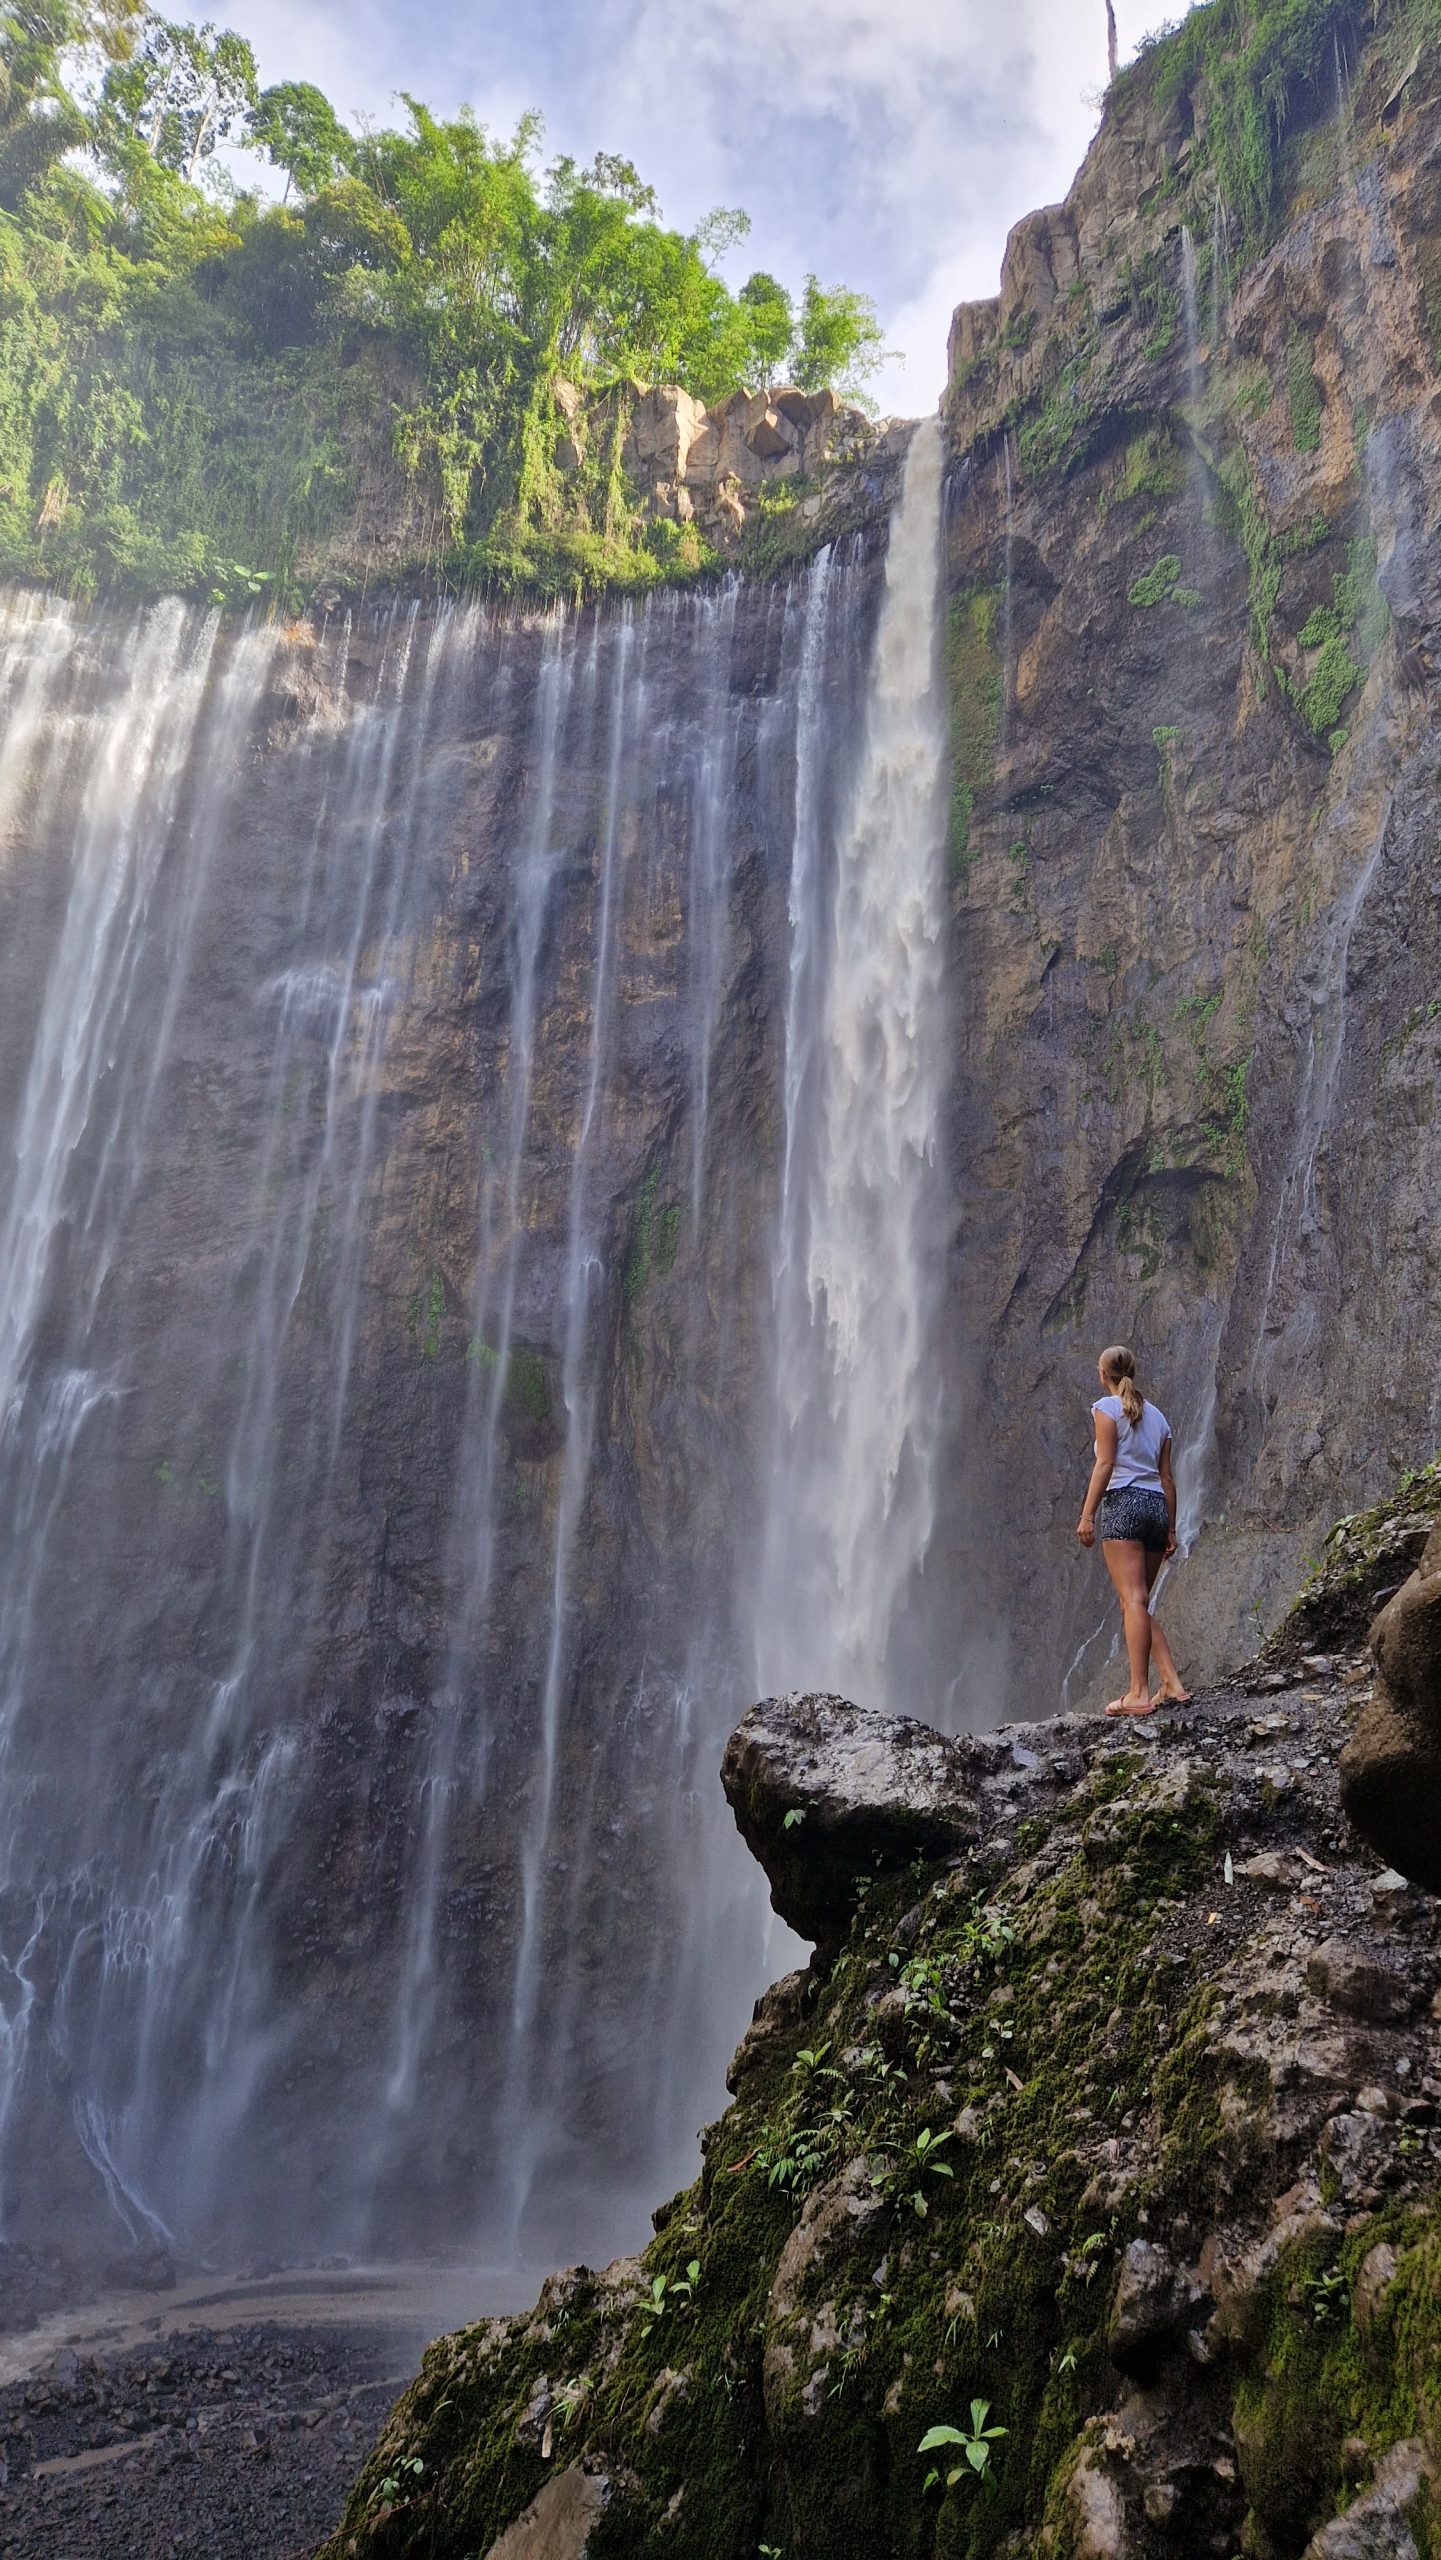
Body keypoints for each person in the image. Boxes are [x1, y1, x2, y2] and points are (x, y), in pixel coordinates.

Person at [1075, 1343, 1192, 1717]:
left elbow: (1105, 1462)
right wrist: (1172, 1528)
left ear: (1102, 1374)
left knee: (1133, 1601)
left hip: (1123, 1503)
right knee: (1137, 1601)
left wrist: (1087, 1515)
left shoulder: (1105, 1409)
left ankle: (1138, 1693)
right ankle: (1171, 1682)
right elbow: (1167, 1477)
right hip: (1157, 1507)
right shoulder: (1158, 1417)